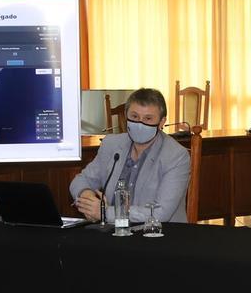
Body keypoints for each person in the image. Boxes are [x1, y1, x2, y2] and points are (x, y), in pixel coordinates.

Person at [70, 88, 191, 223]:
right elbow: (80, 181)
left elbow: (160, 213)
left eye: (148, 118)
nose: (140, 123)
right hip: (114, 233)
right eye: (134, 117)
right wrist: (88, 197)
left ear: (162, 122)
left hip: (158, 235)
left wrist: (105, 212)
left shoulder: (176, 156)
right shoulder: (111, 144)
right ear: (126, 115)